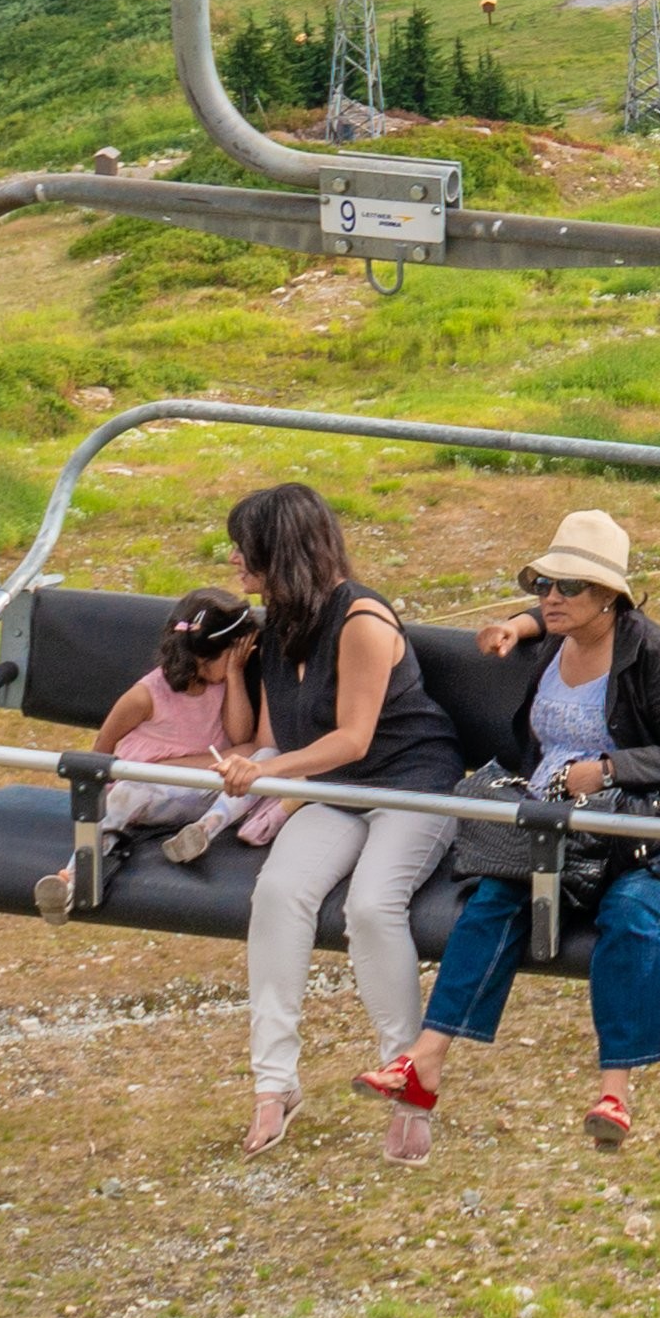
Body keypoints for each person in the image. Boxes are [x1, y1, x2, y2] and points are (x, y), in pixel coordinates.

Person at [396, 508, 660, 1154]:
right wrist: (512, 626)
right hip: (560, 827)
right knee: (493, 897)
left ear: (608, 596)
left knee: (630, 913)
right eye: (542, 585)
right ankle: (425, 1059)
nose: (550, 598)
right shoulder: (557, 637)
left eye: (567, 587)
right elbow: (539, 623)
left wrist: (609, 768)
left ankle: (616, 1090)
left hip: (652, 829)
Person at [208, 479, 464, 1159]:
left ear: (280, 551)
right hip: (339, 790)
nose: (234, 561)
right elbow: (282, 734)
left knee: (376, 907)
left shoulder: (362, 622)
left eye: (245, 549)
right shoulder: (278, 627)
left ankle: (408, 1080)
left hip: (414, 786)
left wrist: (267, 772)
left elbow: (352, 737)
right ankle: (274, 1084)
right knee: (278, 893)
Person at [30, 589, 262, 917]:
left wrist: (235, 674)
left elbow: (242, 738)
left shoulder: (221, 683)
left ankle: (203, 830)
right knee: (123, 797)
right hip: (149, 792)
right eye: (236, 654)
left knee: (259, 758)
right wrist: (104, 795)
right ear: (206, 654)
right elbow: (103, 750)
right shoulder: (146, 696)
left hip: (202, 794)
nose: (243, 659)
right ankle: (70, 879)